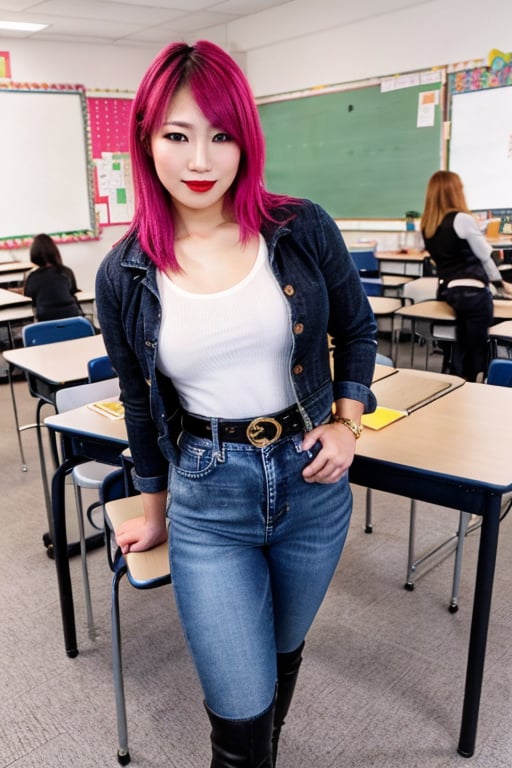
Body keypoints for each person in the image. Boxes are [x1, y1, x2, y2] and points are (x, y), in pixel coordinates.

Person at [95, 40, 377, 768]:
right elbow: (138, 404)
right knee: (239, 716)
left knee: (280, 663)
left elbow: (356, 328)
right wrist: (153, 512)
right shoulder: (124, 272)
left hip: (313, 487)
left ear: (245, 140)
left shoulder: (300, 227)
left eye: (221, 136)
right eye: (177, 136)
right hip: (208, 497)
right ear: (145, 140)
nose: (200, 161)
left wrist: (348, 425)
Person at [421, 170, 512, 381]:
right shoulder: (461, 219)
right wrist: (501, 285)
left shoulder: (427, 224)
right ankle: (474, 382)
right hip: (472, 292)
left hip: (447, 291)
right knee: (477, 346)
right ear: (455, 192)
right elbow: (485, 256)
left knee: (462, 343)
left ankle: (457, 380)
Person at [24, 233, 82, 321]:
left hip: (46, 323)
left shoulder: (32, 277)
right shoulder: (66, 272)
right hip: (73, 320)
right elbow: (73, 292)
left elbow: (29, 301)